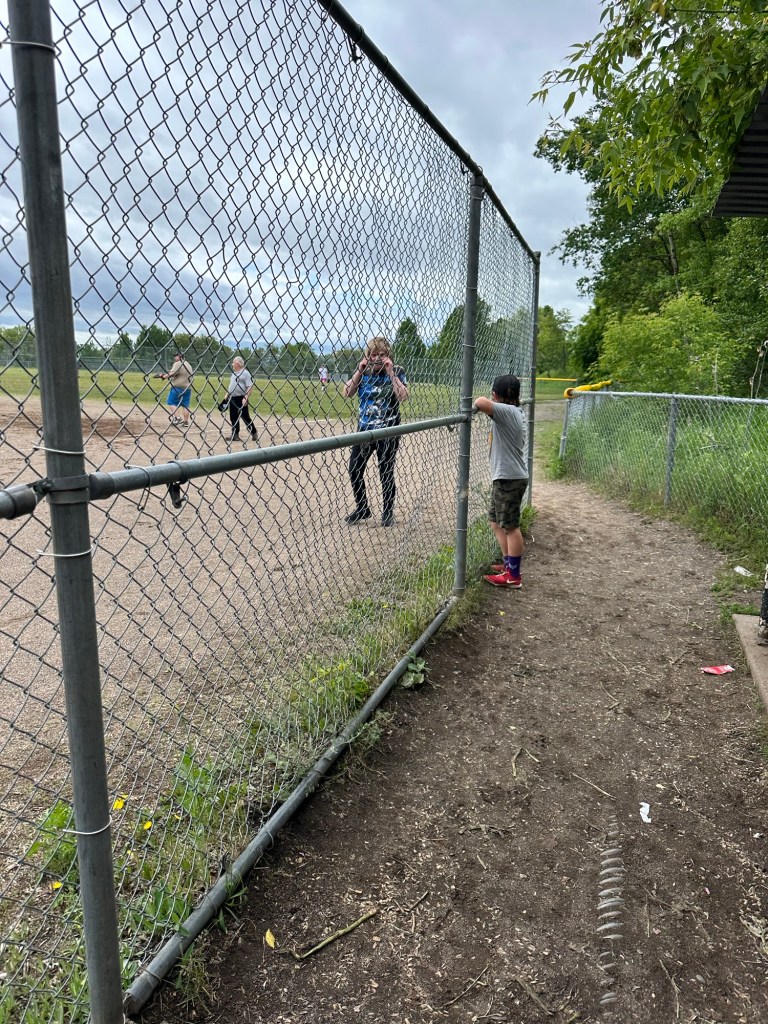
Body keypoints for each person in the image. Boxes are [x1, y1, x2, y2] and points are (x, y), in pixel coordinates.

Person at [343, 336, 409, 527]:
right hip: (365, 430)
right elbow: (347, 393)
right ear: (367, 356)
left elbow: (403, 396)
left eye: (382, 354)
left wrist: (391, 373)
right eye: (373, 354)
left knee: (385, 471)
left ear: (389, 355)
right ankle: (362, 507)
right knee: (354, 469)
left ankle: (387, 512)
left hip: (388, 430)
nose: (378, 358)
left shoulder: (397, 371)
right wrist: (359, 370)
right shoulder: (364, 372)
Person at [473, 373, 529, 588]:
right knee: (496, 522)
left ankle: (513, 576)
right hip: (506, 477)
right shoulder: (512, 411)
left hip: (509, 478)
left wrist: (487, 401)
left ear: (495, 395)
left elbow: (480, 402)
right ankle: (508, 564)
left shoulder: (507, 411)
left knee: (511, 527)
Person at [226, 355, 258, 443]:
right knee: (233, 417)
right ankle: (235, 434)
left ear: (237, 364)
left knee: (245, 416)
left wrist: (245, 397)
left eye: (233, 363)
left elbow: (250, 386)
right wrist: (227, 394)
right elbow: (231, 385)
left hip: (241, 398)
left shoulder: (245, 373)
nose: (232, 364)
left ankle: (254, 432)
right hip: (232, 398)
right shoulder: (234, 374)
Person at [160, 352, 194, 427]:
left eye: (176, 356)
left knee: (171, 402)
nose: (175, 357)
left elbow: (172, 373)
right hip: (187, 388)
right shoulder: (188, 364)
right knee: (185, 405)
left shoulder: (178, 363)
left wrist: (163, 376)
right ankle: (185, 422)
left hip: (178, 387)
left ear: (180, 357)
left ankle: (177, 418)